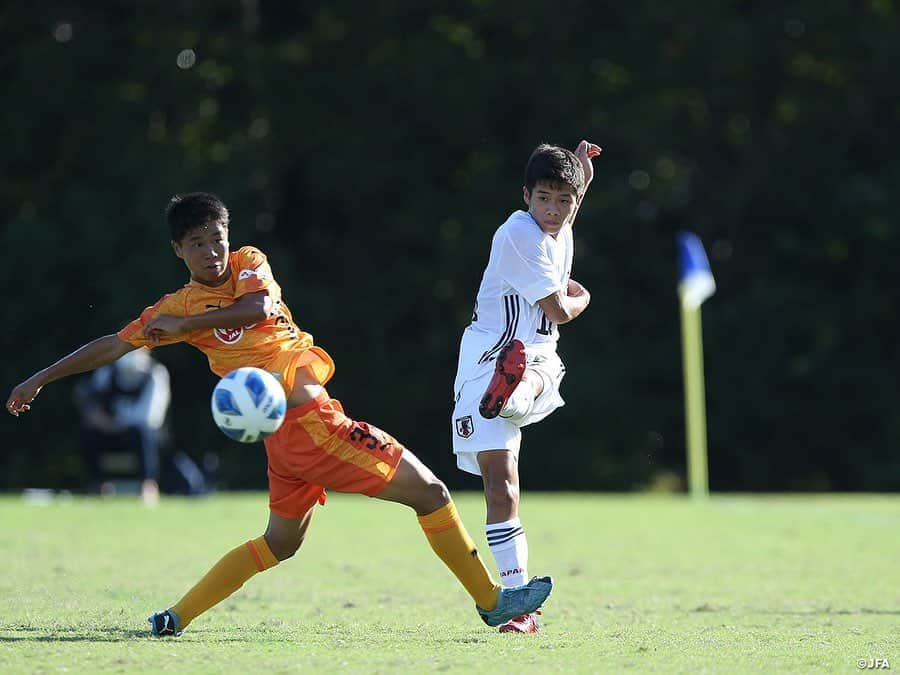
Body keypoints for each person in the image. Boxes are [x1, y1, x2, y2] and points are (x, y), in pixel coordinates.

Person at [6, 192, 552, 637]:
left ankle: (177, 615)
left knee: (280, 543)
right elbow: (110, 345)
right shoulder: (174, 308)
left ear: (228, 237)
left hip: (283, 438)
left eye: (216, 240)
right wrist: (38, 378)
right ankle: (490, 601)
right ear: (178, 250)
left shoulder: (247, 265)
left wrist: (185, 329)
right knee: (431, 494)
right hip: (311, 423)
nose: (211, 253)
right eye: (197, 245)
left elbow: (258, 308)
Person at [450, 141, 601, 633]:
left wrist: (582, 172)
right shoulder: (519, 232)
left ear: (574, 200)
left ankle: (517, 608)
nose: (553, 211)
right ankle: (512, 393)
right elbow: (559, 311)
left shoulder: (558, 226)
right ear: (525, 197)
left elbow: (571, 204)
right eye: (543, 199)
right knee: (545, 367)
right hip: (502, 357)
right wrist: (583, 298)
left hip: (491, 365)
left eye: (564, 200)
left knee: (501, 487)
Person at [74, 348, 170, 505]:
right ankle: (98, 485)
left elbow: (150, 417)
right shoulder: (108, 371)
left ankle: (148, 486)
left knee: (142, 434)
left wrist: (114, 423)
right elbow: (92, 399)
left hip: (142, 434)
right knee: (89, 432)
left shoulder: (155, 374)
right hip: (110, 432)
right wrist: (96, 416)